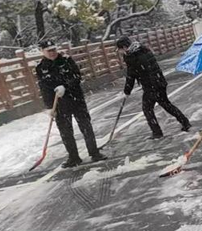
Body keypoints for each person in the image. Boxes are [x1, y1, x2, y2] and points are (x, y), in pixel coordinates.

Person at [35, 39, 103, 168]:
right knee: (66, 132)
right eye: (49, 51)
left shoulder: (66, 60)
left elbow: (77, 76)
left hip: (76, 99)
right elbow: (44, 88)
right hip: (60, 105)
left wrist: (65, 86)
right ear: (42, 52)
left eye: (54, 50)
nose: (52, 53)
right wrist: (50, 107)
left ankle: (94, 153)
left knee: (85, 126)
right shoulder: (41, 67)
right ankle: (73, 157)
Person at [116, 36, 191, 139]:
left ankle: (157, 132)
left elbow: (131, 75)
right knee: (166, 104)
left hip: (151, 86)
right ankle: (185, 122)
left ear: (124, 47)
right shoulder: (142, 49)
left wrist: (127, 91)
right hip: (159, 82)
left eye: (119, 49)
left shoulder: (132, 56)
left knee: (147, 109)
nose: (119, 52)